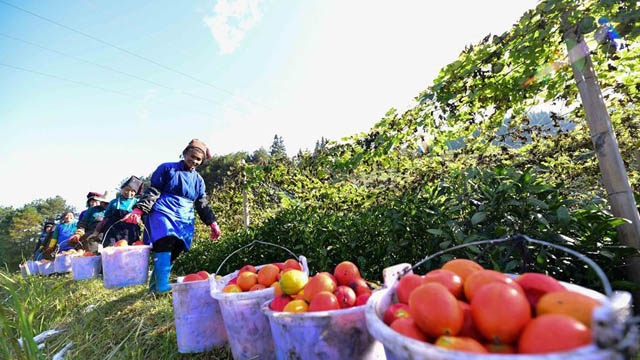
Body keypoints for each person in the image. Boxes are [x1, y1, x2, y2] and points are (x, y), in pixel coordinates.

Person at [123, 139, 221, 293]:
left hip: (184, 216)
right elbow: (154, 190)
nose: (194, 161)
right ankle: (162, 286)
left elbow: (202, 203)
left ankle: (154, 287)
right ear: (184, 153)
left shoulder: (199, 181)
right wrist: (139, 209)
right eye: (192, 156)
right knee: (165, 241)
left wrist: (212, 223)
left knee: (177, 248)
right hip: (164, 210)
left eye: (198, 159)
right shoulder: (167, 168)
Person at [95, 177, 143, 247]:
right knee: (110, 249)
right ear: (122, 189)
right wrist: (96, 232)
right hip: (112, 231)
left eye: (132, 191)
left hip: (130, 232)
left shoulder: (137, 203)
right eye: (127, 190)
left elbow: (142, 217)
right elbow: (106, 218)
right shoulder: (114, 202)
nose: (129, 193)